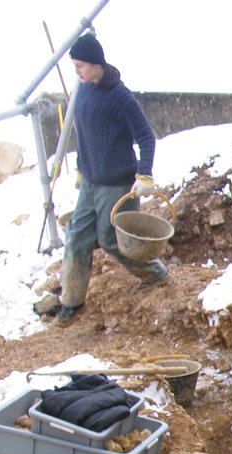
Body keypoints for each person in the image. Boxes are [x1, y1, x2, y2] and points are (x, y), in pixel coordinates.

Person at [54, 31, 168, 327]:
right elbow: (85, 132)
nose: (77, 71)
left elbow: (145, 136)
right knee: (77, 235)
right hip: (91, 181)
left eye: (80, 65)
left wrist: (144, 173)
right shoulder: (83, 90)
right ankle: (72, 301)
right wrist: (82, 167)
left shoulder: (119, 97)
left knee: (110, 239)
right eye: (75, 66)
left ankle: (155, 274)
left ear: (95, 63)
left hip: (116, 183)